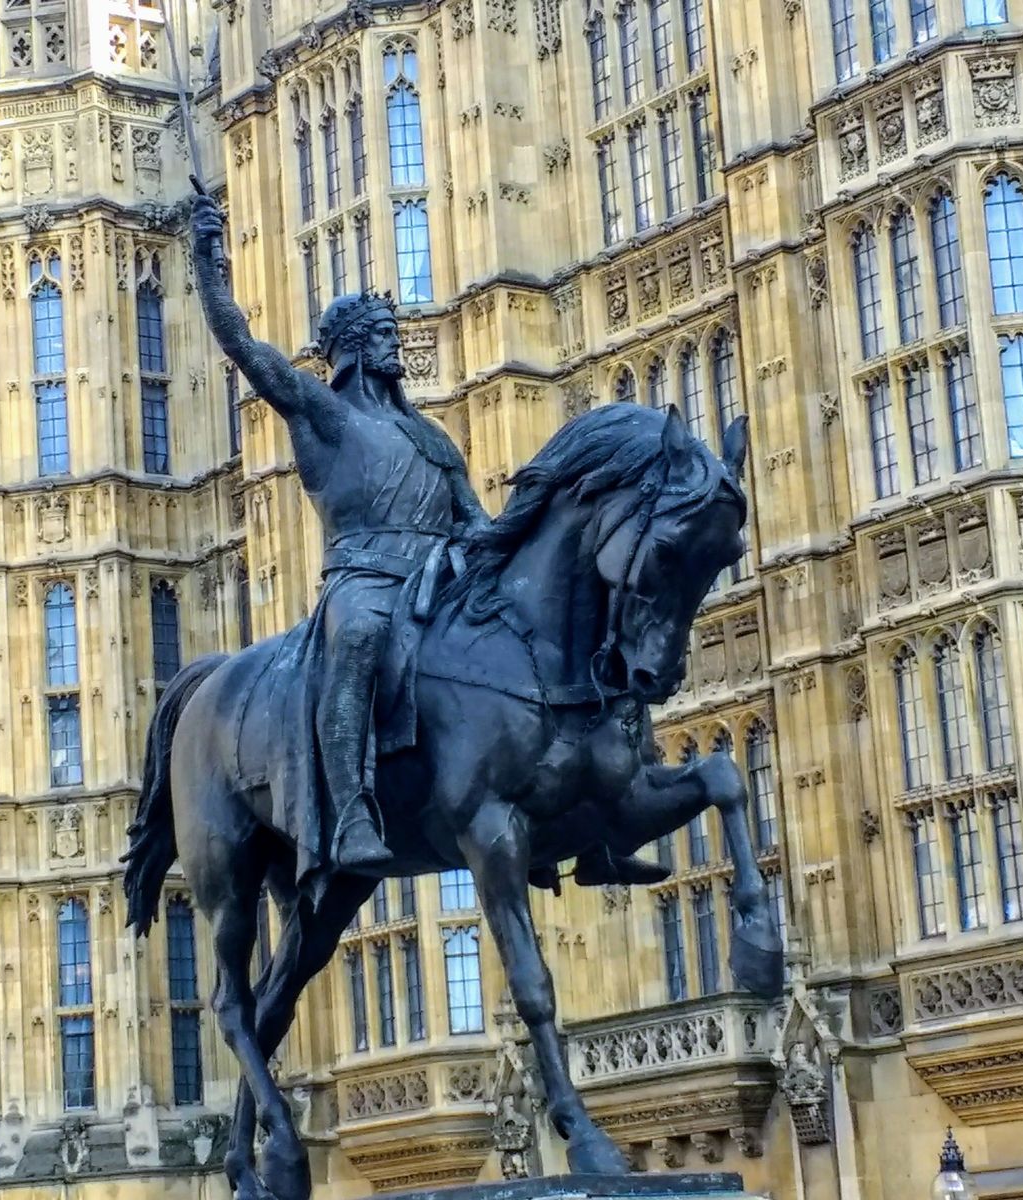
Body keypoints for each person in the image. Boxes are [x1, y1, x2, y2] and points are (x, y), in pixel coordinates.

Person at [187, 190, 666, 887]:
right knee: (353, 641)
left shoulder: (430, 436)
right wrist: (208, 258)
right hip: (366, 581)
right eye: (382, 333)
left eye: (392, 330)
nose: (395, 342)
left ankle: (588, 823)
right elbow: (243, 345)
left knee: (545, 643)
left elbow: (474, 520)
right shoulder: (323, 413)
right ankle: (351, 810)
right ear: (351, 349)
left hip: (441, 579)